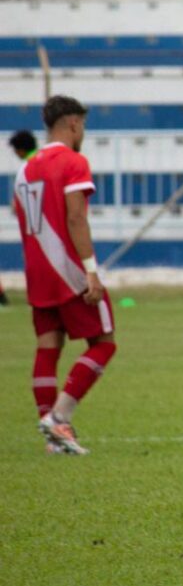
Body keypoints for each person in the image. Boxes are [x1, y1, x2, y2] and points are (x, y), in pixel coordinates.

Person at [13, 96, 116, 455]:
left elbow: (24, 219)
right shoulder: (73, 162)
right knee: (104, 342)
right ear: (73, 123)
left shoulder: (25, 170)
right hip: (69, 270)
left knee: (48, 347)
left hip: (37, 272)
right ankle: (60, 416)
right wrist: (91, 270)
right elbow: (76, 217)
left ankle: (52, 438)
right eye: (83, 125)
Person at [3, 130, 38, 305]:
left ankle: (38, 296)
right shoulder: (40, 159)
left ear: (21, 149)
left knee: (34, 260)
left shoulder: (30, 166)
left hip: (36, 225)